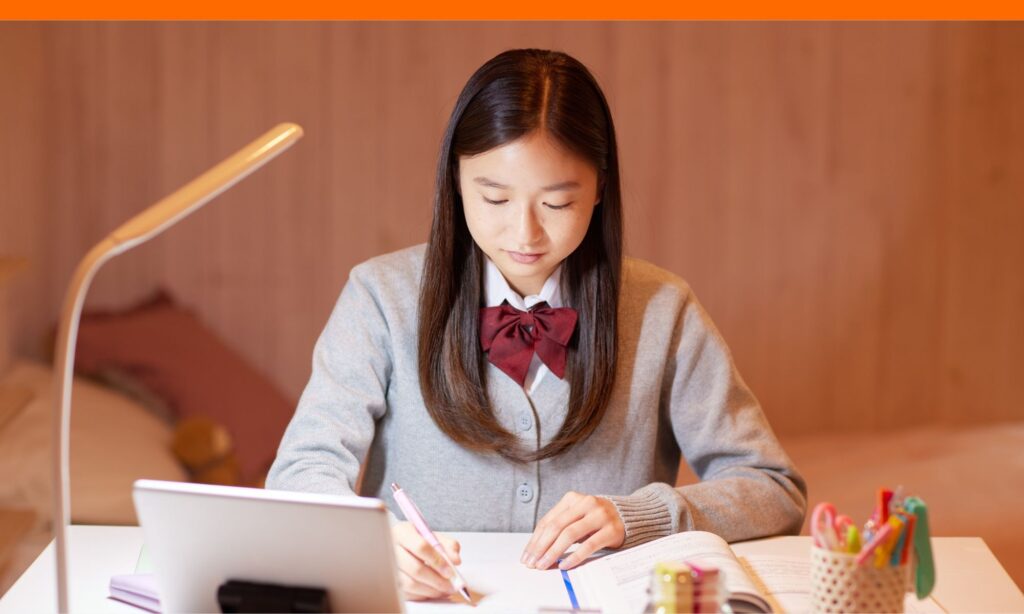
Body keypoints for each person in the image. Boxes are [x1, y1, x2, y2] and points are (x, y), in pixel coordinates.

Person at [266, 48, 807, 602]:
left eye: (557, 202)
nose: (524, 233)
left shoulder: (663, 309)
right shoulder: (379, 297)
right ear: (455, 179)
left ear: (599, 189)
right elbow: (301, 471)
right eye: (494, 197)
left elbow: (774, 490)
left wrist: (641, 515)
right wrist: (373, 542)